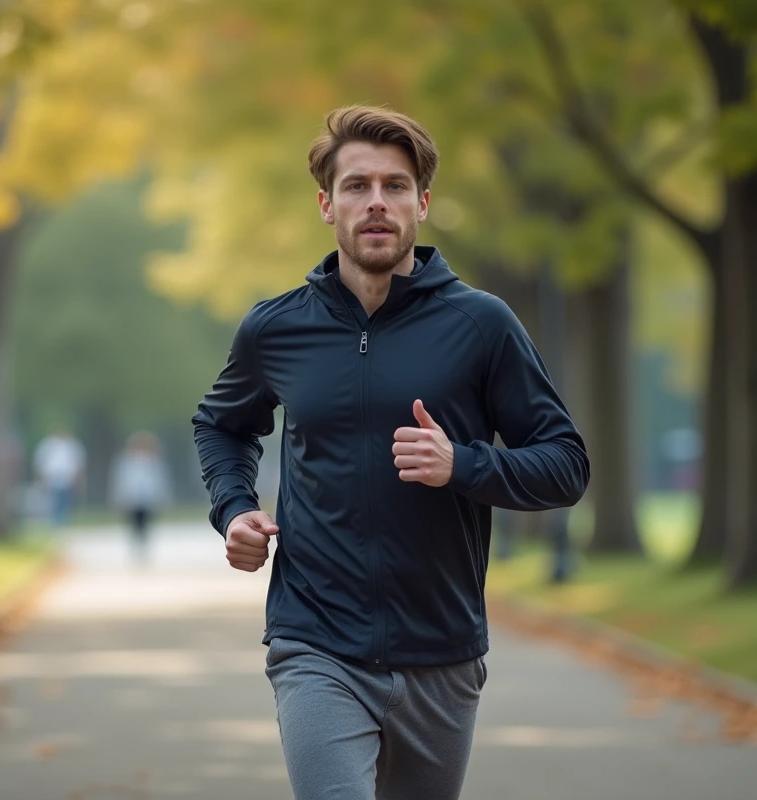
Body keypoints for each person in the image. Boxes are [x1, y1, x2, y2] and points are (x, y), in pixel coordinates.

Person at [192, 106, 590, 800]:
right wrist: (233, 509)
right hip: (314, 640)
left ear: (422, 203)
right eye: (357, 185)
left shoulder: (482, 324)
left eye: (396, 186)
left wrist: (463, 465)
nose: (377, 201)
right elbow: (222, 425)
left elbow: (565, 464)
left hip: (442, 650)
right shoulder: (276, 328)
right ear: (327, 205)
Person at [109, 431, 172, 556]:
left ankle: (143, 544)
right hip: (131, 497)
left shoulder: (154, 462)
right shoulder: (126, 461)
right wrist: (119, 498)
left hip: (148, 498)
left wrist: (163, 497)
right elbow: (120, 480)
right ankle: (136, 544)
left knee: (145, 522)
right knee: (134, 522)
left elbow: (160, 480)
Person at [33, 429, 86, 527]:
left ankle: (63, 520)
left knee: (65, 500)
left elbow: (77, 463)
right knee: (54, 500)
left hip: (67, 477)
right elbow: (41, 462)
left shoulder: (71, 445)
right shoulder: (48, 445)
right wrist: (42, 477)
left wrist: (78, 478)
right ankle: (56, 521)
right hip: (52, 477)